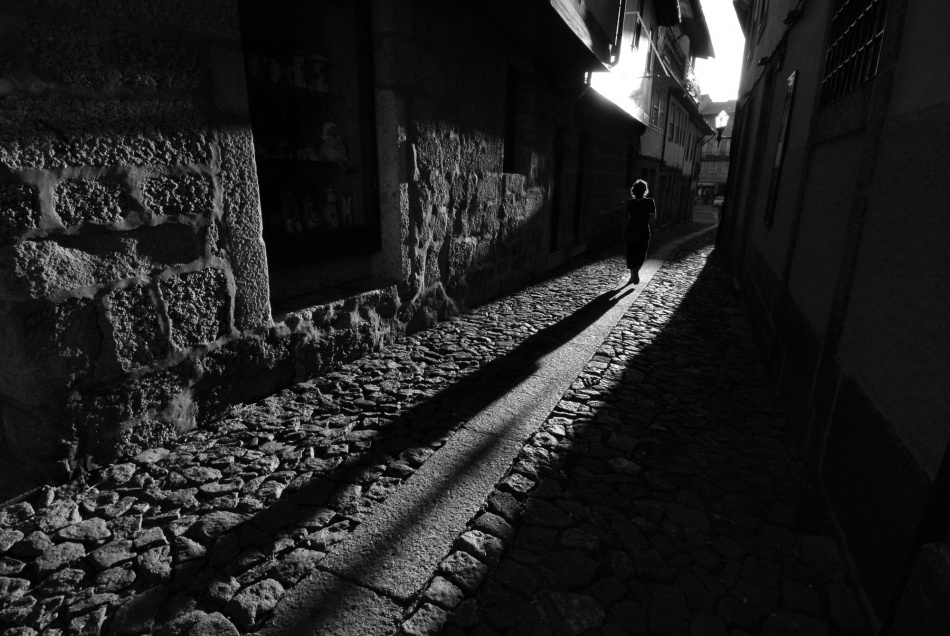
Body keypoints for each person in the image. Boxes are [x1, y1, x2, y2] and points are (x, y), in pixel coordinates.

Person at [622, 179, 657, 285]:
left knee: (631, 252)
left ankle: (632, 276)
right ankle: (637, 269)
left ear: (633, 190)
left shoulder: (630, 202)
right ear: (645, 190)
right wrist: (644, 219)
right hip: (643, 230)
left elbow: (629, 217)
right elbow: (653, 218)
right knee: (641, 252)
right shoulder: (650, 202)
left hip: (631, 229)